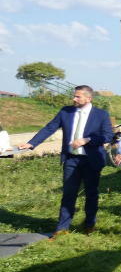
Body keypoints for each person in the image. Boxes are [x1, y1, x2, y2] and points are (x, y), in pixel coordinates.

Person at [18, 85, 114, 238]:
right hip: (71, 159)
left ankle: (89, 224)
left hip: (91, 160)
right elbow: (49, 128)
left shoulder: (101, 114)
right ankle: (62, 228)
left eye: (78, 96)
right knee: (69, 194)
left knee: (91, 193)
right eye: (74, 96)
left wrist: (87, 140)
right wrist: (31, 143)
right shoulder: (66, 111)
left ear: (89, 98)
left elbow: (108, 136)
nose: (73, 99)